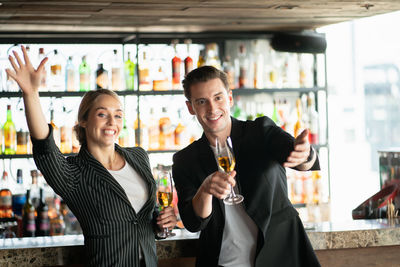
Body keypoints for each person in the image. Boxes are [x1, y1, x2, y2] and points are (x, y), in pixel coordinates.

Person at [6, 45, 177, 267]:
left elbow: (148, 217)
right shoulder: (74, 173)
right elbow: (45, 148)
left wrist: (164, 224)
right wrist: (31, 94)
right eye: (102, 114)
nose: (111, 122)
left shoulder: (139, 157)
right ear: (84, 121)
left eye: (117, 115)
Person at [172, 66, 321, 267]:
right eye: (201, 101)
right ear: (191, 107)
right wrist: (206, 189)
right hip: (223, 263)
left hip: (281, 258)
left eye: (218, 98)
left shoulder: (261, 131)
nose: (212, 109)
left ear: (230, 98)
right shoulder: (185, 160)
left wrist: (305, 155)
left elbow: (298, 156)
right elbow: (193, 222)